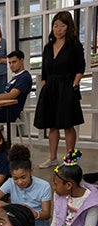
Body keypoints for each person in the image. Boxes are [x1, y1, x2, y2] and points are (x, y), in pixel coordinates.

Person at [34, 11, 85, 169]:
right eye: (55, 25)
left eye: (62, 26)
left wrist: (74, 85)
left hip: (67, 87)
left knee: (68, 125)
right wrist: (44, 85)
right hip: (50, 88)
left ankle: (71, 159)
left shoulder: (74, 45)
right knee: (52, 125)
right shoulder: (48, 47)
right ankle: (53, 158)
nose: (58, 29)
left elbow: (80, 67)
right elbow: (44, 71)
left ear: (68, 27)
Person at [0, 144, 52, 226]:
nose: (19, 182)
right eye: (15, 178)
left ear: (31, 171)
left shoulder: (44, 186)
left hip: (36, 221)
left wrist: (35, 214)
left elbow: (46, 215)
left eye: (23, 177)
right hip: (17, 216)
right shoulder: (10, 182)